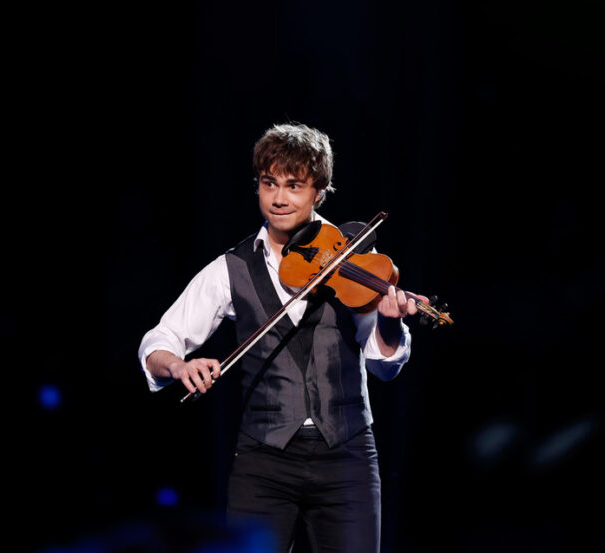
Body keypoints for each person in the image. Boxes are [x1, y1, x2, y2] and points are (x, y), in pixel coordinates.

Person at [139, 122, 426, 553]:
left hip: (346, 456)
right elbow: (160, 339)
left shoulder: (354, 260)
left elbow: (384, 367)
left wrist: (388, 323)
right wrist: (178, 365)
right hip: (263, 460)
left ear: (319, 192)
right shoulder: (231, 267)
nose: (278, 198)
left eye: (294, 186)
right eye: (268, 183)